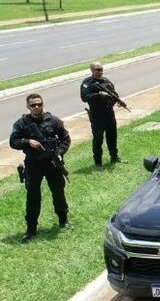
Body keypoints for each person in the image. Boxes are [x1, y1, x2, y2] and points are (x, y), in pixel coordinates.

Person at [9, 94, 72, 242]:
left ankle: (63, 220)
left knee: (58, 192)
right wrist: (27, 142)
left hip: (51, 162)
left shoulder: (54, 121)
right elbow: (13, 142)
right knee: (33, 196)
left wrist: (59, 153)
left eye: (39, 104)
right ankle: (31, 228)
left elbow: (66, 139)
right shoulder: (22, 124)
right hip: (33, 163)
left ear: (43, 104)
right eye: (33, 105)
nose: (36, 107)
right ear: (28, 107)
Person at [80, 61, 125, 171]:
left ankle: (114, 157)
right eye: (97, 69)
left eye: (101, 69)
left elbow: (114, 94)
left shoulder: (106, 81)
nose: (100, 71)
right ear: (92, 70)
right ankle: (98, 163)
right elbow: (84, 97)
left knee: (112, 137)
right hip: (97, 116)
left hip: (109, 114)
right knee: (98, 140)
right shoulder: (87, 83)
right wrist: (99, 95)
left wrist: (118, 101)